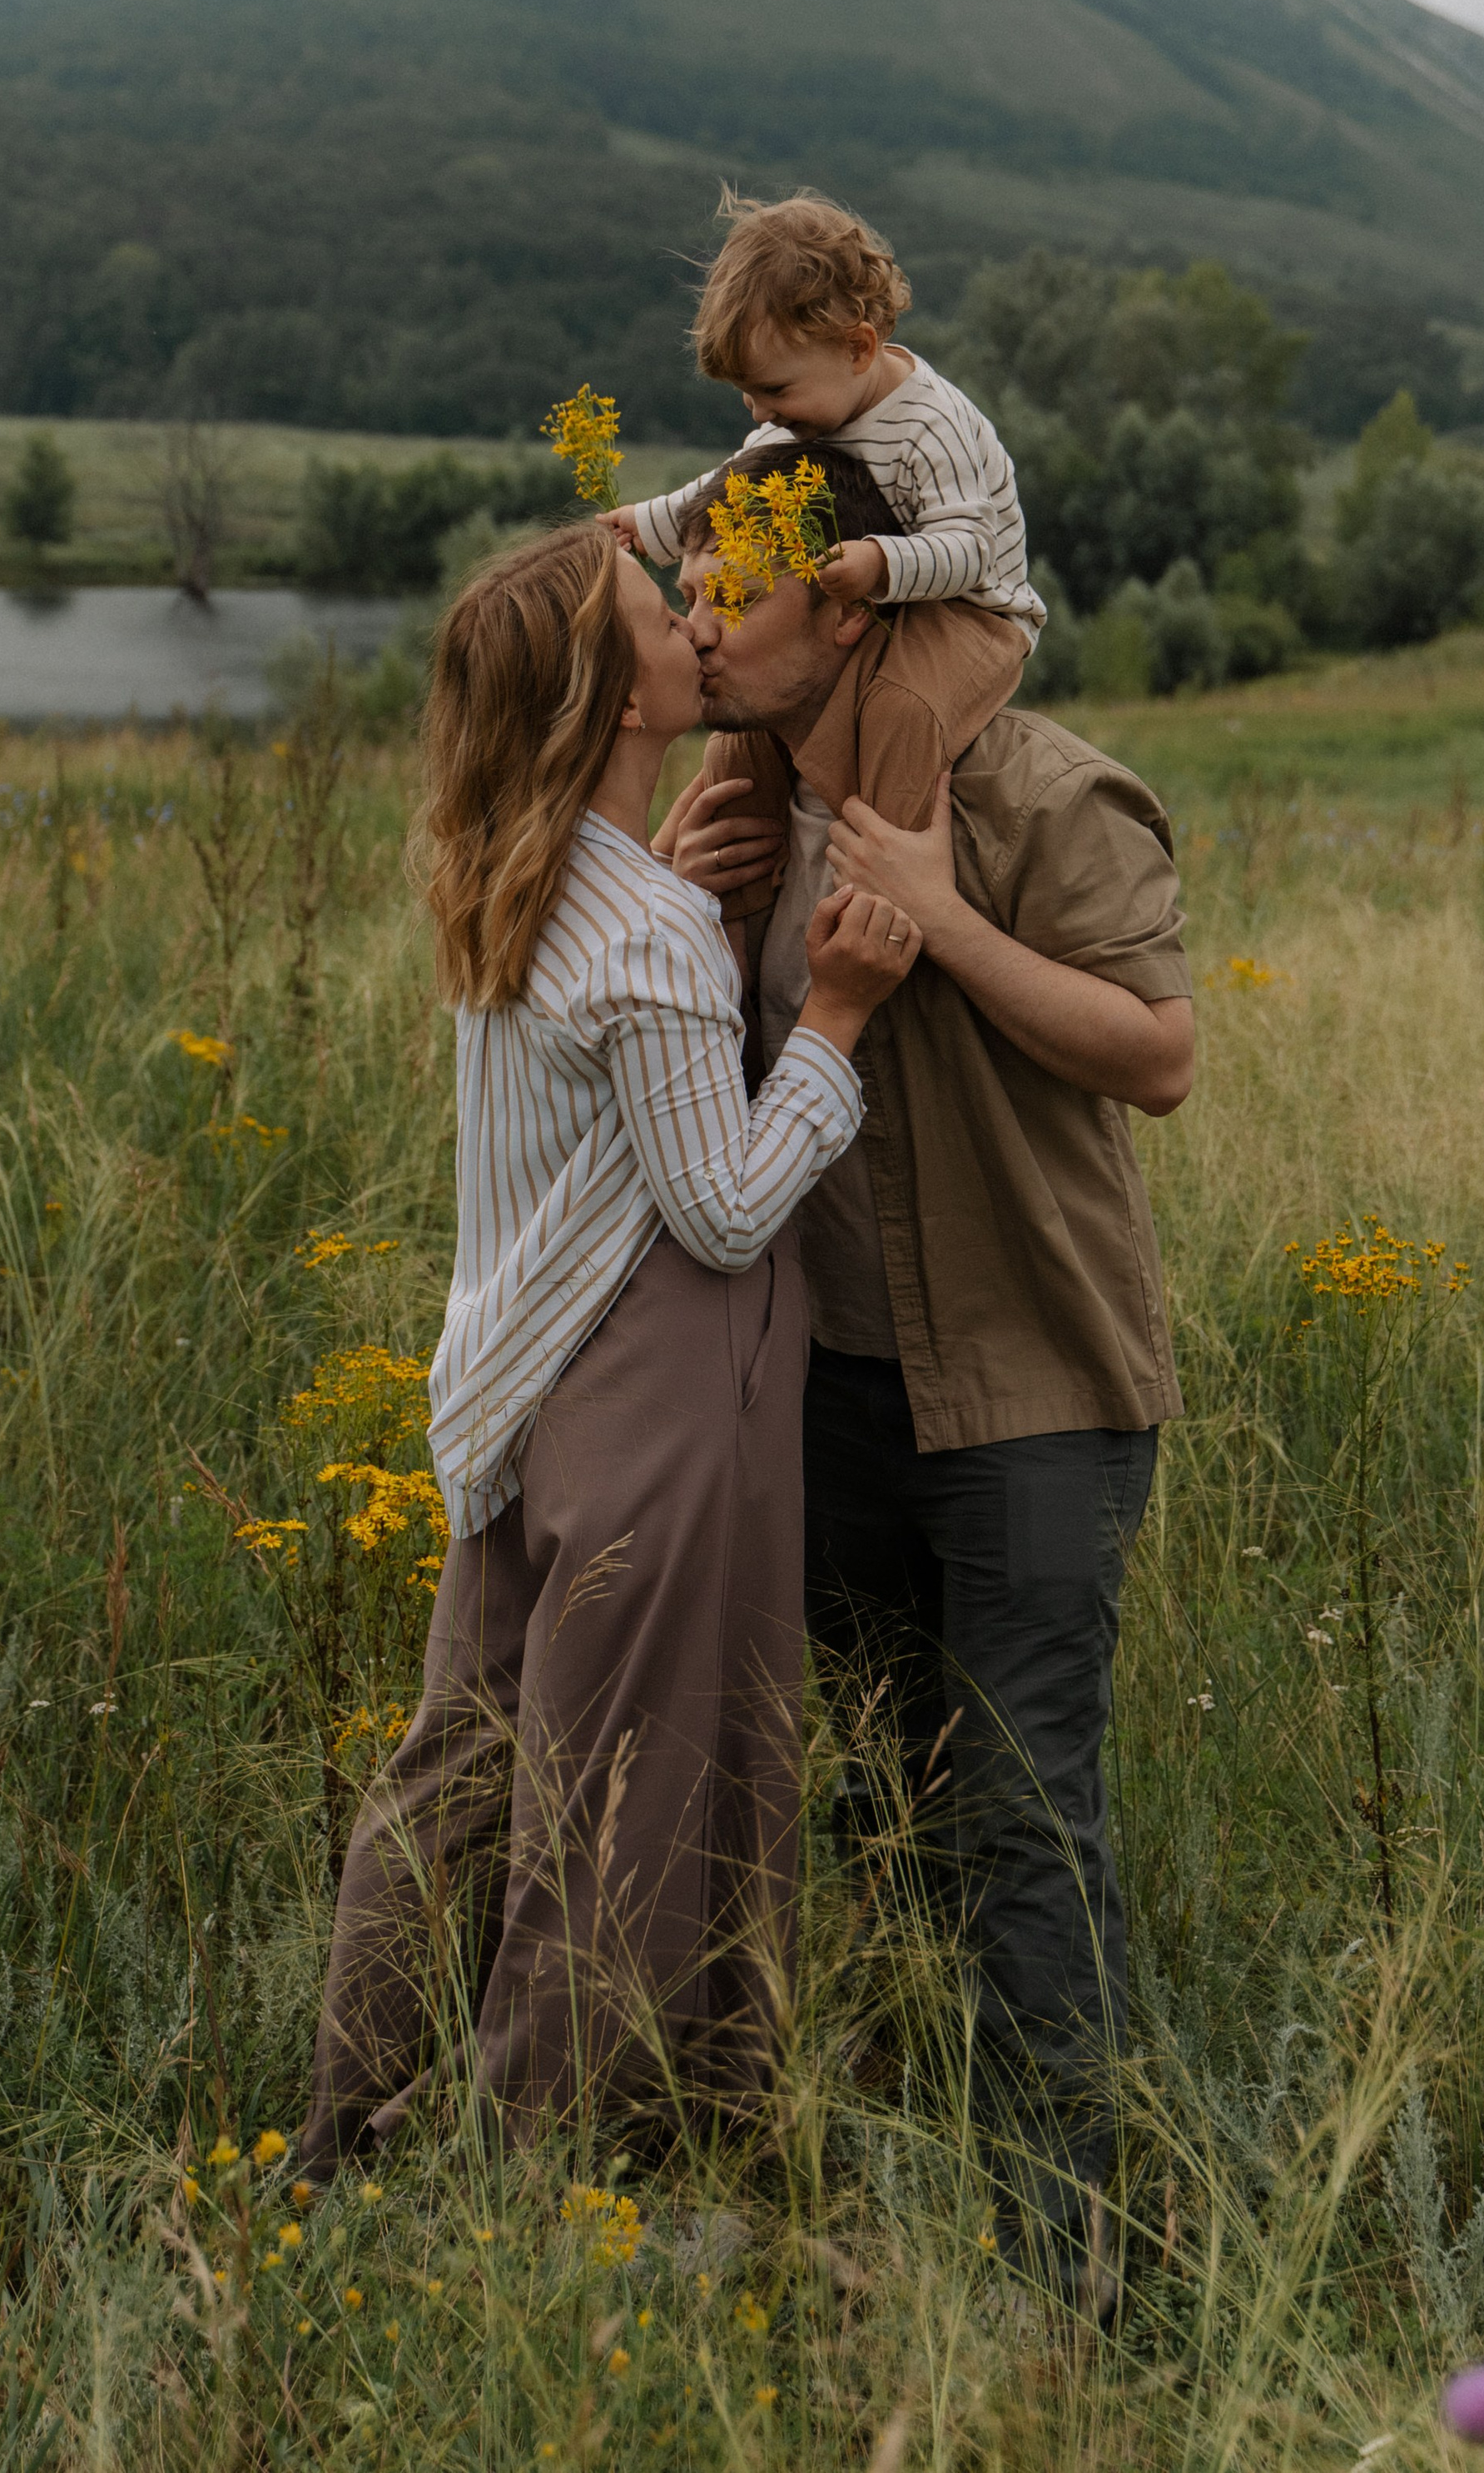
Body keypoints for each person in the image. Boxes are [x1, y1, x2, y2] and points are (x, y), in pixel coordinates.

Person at [295, 523, 920, 2173]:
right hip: (646, 1391)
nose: (698, 618)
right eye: (667, 608)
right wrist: (834, 1017)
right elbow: (715, 1207)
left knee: (466, 1772)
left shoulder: (525, 869)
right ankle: (556, 2174)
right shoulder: (633, 928)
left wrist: (705, 938)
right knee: (628, 1797)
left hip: (517, 1383)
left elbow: (591, 1142)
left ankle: (351, 2137)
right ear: (611, 686)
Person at [660, 440, 1195, 2303]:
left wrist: (946, 926)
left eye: (738, 593)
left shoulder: (1040, 789)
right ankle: (917, 2208)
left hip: (1033, 1395)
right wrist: (677, 902)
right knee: (881, 1804)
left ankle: (1087, 2278)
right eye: (695, 589)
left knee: (1022, 1810)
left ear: (853, 596)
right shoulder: (737, 814)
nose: (702, 625)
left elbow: (1154, 1056)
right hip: (832, 1395)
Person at [609, 186, 1041, 923]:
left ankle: (879, 892)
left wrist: (878, 564)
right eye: (746, 393)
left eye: (772, 389)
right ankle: (723, 935)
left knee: (904, 711)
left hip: (971, 613)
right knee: (737, 748)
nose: (759, 412)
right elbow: (721, 495)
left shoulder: (931, 426)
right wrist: (643, 528)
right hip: (874, 604)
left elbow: (970, 550)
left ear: (859, 349)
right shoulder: (804, 413)